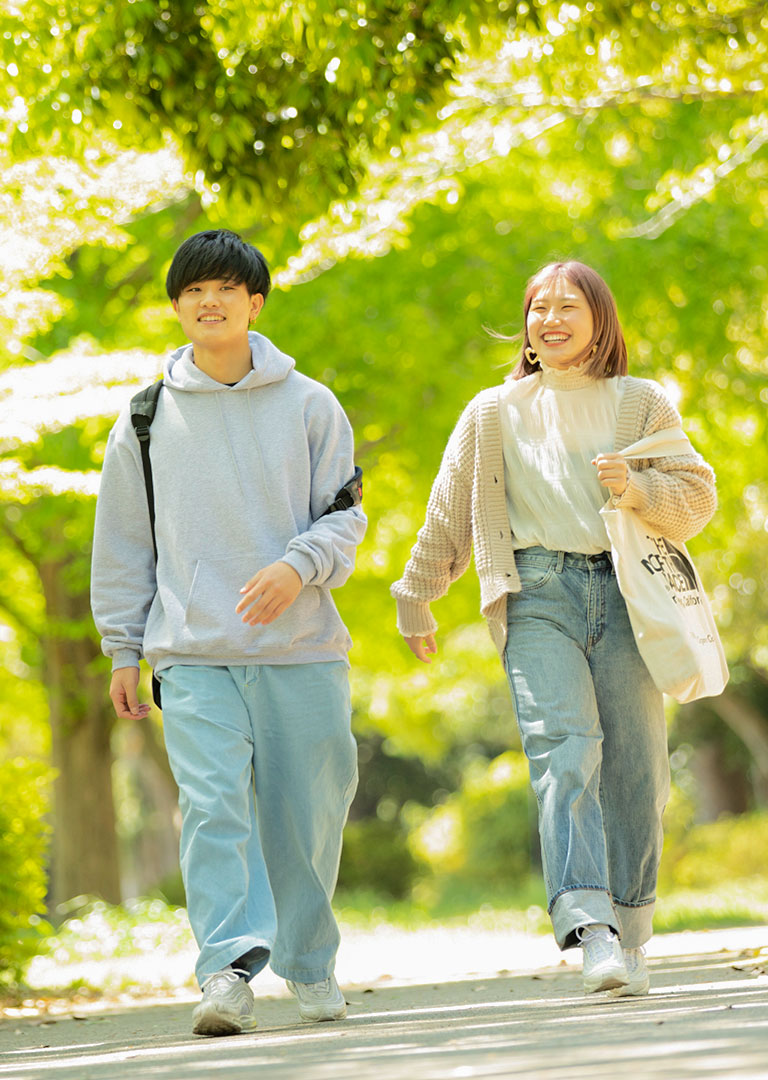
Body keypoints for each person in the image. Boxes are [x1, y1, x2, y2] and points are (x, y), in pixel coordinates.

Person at [391, 260, 716, 996]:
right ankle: (590, 928)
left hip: (627, 594)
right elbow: (450, 509)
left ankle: (631, 929)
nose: (552, 319)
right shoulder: (493, 411)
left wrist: (636, 488)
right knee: (563, 752)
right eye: (540, 308)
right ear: (528, 326)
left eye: (569, 306)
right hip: (536, 593)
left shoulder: (641, 403)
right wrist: (418, 592)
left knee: (638, 769)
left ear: (600, 320)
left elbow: (696, 499)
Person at [91, 229, 366, 1035]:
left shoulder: (311, 403)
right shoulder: (143, 418)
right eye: (191, 291)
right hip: (193, 652)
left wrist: (298, 566)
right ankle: (228, 970)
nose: (208, 302)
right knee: (213, 809)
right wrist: (122, 647)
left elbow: (345, 516)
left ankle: (310, 963)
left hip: (302, 648)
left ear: (255, 302)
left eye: (225, 289)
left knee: (309, 810)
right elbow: (123, 543)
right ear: (176, 307)